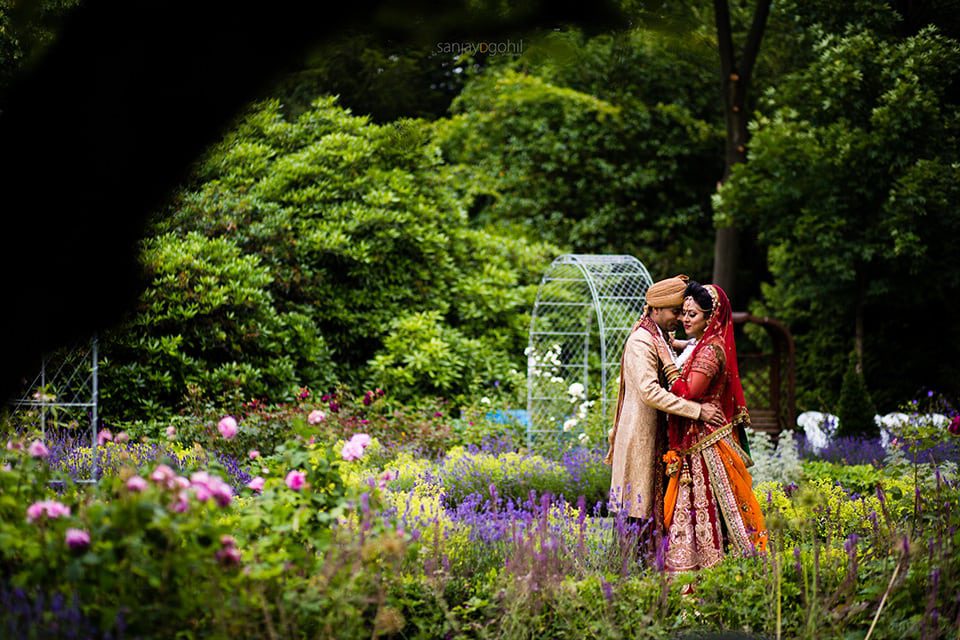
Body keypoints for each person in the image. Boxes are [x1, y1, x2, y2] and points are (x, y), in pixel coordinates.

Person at [604, 275, 726, 534]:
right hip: (640, 433)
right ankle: (631, 569)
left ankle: (647, 566)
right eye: (675, 311)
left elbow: (681, 354)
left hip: (653, 431)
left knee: (648, 506)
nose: (680, 318)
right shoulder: (643, 342)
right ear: (656, 309)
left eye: (684, 312)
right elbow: (649, 392)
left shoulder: (658, 337)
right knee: (636, 509)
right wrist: (698, 411)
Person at [661, 282, 767, 574]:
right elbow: (690, 348)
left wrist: (665, 364)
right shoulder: (704, 344)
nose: (684, 319)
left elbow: (687, 392)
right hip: (698, 442)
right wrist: (677, 346)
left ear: (710, 318)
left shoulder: (710, 352)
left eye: (692, 314)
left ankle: (713, 574)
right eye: (683, 313)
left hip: (707, 446)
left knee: (712, 509)